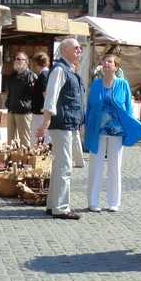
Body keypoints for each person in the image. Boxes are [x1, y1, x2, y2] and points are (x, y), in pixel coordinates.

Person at [83, 54, 141, 212]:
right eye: (104, 61)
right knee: (95, 166)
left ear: (116, 67)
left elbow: (128, 109)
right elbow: (90, 108)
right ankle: (93, 201)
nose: (106, 64)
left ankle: (114, 202)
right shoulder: (96, 84)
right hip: (98, 130)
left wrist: (129, 128)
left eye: (109, 62)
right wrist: (86, 128)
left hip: (117, 130)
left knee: (115, 166)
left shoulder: (123, 84)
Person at [36, 37, 85, 220]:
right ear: (64, 50)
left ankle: (53, 205)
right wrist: (46, 121)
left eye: (80, 48)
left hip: (68, 123)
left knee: (59, 165)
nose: (79, 51)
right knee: (64, 166)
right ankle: (62, 208)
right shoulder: (60, 70)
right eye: (76, 48)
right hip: (62, 123)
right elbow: (51, 96)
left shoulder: (69, 69)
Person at [4, 51, 36, 147]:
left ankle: (25, 159)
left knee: (24, 140)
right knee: (11, 140)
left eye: (19, 59)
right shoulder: (12, 76)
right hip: (11, 109)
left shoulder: (31, 76)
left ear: (26, 62)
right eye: (15, 59)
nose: (16, 61)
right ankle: (11, 159)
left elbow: (35, 95)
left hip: (24, 112)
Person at [29, 51, 50, 144]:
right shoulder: (50, 74)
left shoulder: (43, 76)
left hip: (40, 111)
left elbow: (45, 93)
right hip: (46, 111)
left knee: (36, 137)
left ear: (36, 64)